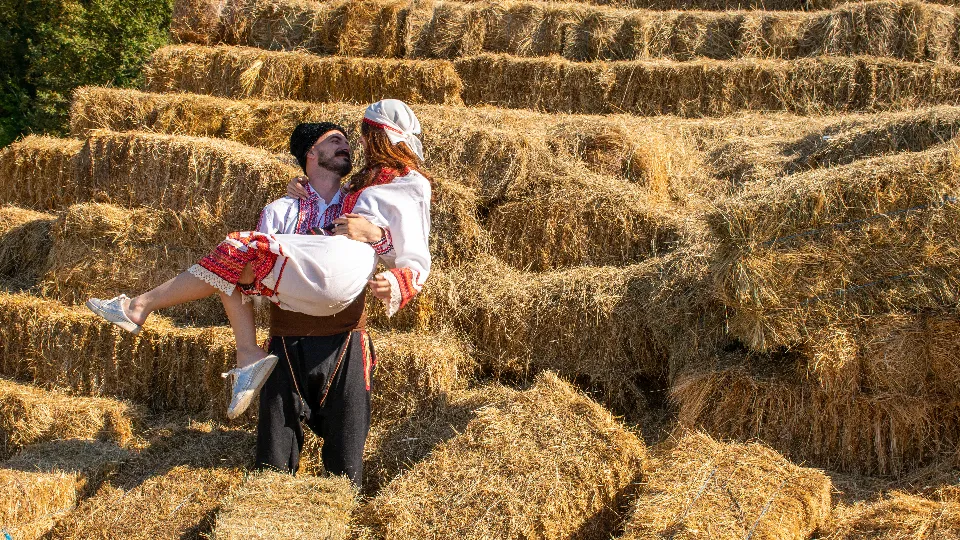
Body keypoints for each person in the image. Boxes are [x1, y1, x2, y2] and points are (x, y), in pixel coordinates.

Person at [85, 100, 432, 449]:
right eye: (335, 140)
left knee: (346, 447)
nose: (351, 144)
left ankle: (160, 316)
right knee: (231, 262)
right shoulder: (290, 205)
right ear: (311, 155)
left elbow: (404, 245)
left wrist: (380, 243)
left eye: (355, 136)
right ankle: (240, 351)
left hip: (344, 328)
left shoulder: (377, 190)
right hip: (288, 329)